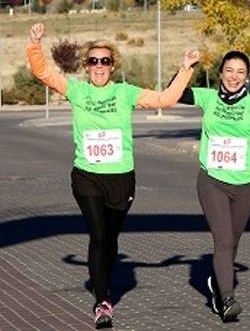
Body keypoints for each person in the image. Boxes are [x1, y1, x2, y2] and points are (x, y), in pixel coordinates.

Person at [26, 23, 199, 329]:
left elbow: (166, 99)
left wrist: (185, 69)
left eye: (105, 61)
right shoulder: (76, 90)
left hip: (121, 177)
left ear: (112, 65)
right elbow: (44, 74)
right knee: (98, 236)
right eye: (93, 61)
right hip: (87, 175)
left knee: (111, 239)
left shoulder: (125, 92)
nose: (99, 67)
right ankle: (102, 300)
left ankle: (103, 279)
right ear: (86, 66)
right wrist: (35, 43)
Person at [175, 50, 250, 322]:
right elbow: (176, 93)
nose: (234, 76)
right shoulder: (208, 97)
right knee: (222, 240)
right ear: (221, 72)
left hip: (244, 184)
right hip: (212, 180)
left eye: (241, 72)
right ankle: (228, 298)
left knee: (232, 242)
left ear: (247, 78)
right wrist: (184, 68)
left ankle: (217, 284)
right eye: (230, 70)